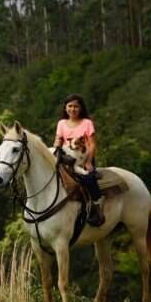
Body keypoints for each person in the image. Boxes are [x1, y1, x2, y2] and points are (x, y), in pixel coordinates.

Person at [53, 93, 104, 226]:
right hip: (66, 159)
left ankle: (96, 206)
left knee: (88, 179)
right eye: (70, 106)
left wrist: (88, 161)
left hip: (83, 159)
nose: (72, 109)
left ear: (81, 108)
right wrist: (56, 145)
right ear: (65, 108)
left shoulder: (87, 123)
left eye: (76, 106)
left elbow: (92, 144)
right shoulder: (61, 123)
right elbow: (58, 141)